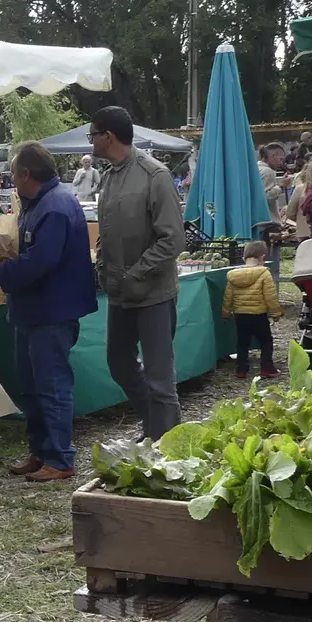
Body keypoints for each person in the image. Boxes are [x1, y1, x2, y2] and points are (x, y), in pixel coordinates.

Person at [0, 144, 96, 482]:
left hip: (51, 312)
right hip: (31, 310)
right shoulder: (38, 203)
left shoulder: (56, 207)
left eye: (13, 174)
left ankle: (60, 459)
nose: (12, 181)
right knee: (30, 385)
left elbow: (43, 260)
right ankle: (41, 450)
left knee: (51, 386)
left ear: (25, 175)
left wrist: (1, 273)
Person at [90, 106, 185, 439]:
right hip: (120, 293)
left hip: (154, 292)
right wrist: (103, 264)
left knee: (160, 376)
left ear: (108, 137)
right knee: (119, 363)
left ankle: (166, 444)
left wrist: (136, 272)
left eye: (93, 135)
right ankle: (158, 424)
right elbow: (106, 229)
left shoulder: (154, 175)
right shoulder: (109, 176)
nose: (91, 141)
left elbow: (173, 239)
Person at [222, 238, 282, 379]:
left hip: (240, 315)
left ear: (244, 257)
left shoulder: (234, 276)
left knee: (242, 342)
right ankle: (267, 368)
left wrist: (225, 313)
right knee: (266, 341)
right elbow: (270, 296)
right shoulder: (264, 274)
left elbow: (228, 297)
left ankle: (241, 370)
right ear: (263, 257)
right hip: (259, 314)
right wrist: (276, 313)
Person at [257, 144, 288, 219]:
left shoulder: (257, 168)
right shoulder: (267, 171)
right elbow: (265, 197)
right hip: (268, 220)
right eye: (280, 159)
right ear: (273, 155)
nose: (281, 163)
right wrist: (281, 186)